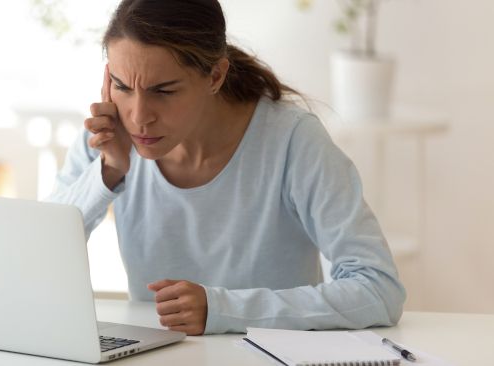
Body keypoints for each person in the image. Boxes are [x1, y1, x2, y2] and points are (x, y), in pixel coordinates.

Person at [46, 0, 406, 336]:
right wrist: (108, 172)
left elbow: (378, 288)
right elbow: (36, 257)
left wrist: (222, 309)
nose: (139, 117)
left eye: (164, 91)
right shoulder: (108, 138)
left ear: (215, 76)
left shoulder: (292, 141)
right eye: (122, 87)